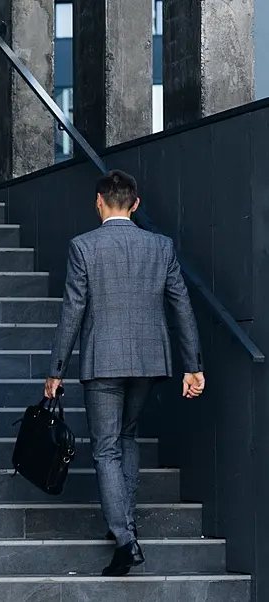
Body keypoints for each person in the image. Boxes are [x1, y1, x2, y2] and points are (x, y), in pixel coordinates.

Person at [45, 170, 205, 577]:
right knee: (127, 436)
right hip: (150, 362)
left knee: (105, 448)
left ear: (99, 201)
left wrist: (56, 370)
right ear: (135, 204)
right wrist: (194, 366)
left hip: (103, 363)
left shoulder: (84, 246)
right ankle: (125, 525)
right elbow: (182, 307)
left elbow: (72, 311)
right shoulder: (160, 246)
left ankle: (124, 539)